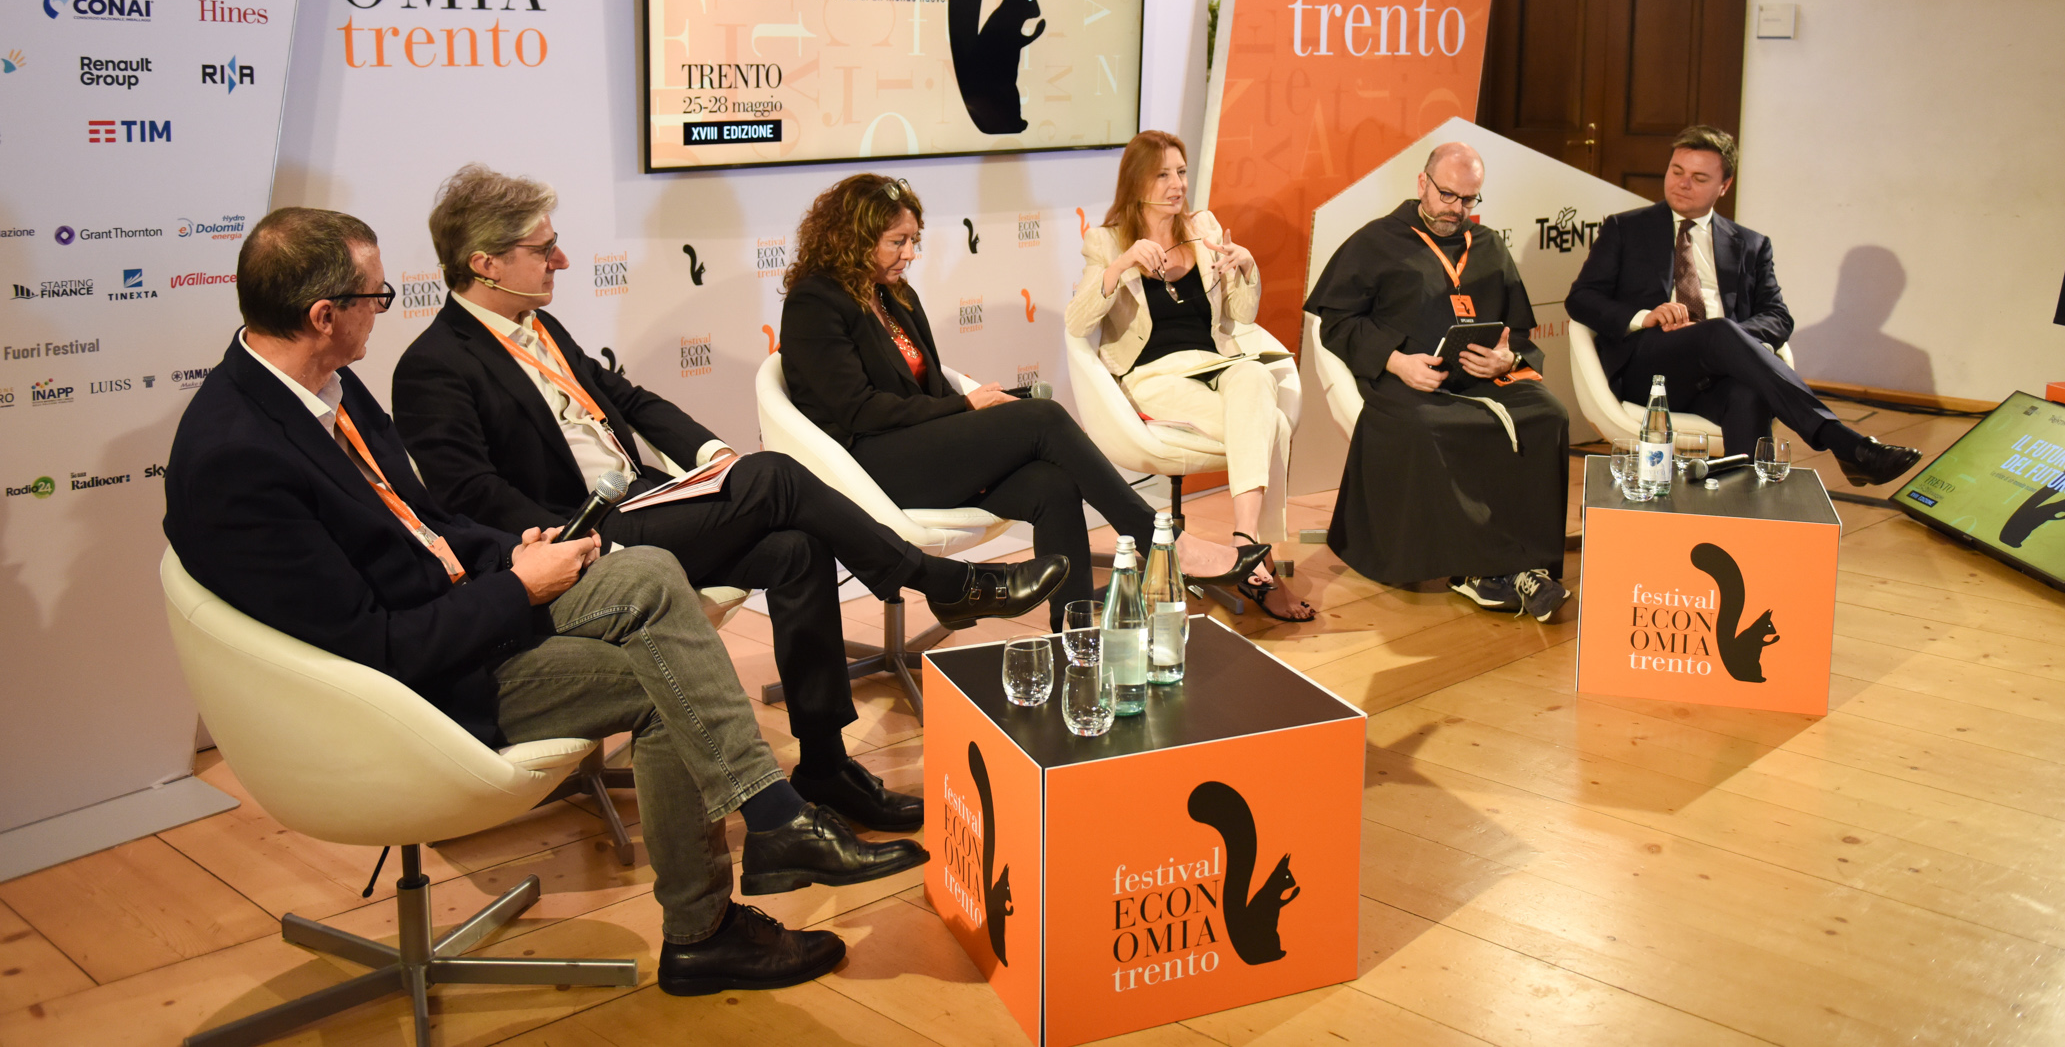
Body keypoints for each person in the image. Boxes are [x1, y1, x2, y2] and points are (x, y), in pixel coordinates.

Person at [164, 207, 925, 997]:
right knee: (670, 685)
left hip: (458, 606)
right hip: (412, 692)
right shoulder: (238, 456)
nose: (384, 311)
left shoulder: (322, 382)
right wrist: (516, 588)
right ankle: (716, 916)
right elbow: (376, 649)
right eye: (376, 297)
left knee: (650, 571)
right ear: (325, 316)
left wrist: (512, 550)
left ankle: (771, 825)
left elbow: (423, 522)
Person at [392, 166, 1071, 832]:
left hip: (644, 502)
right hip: (579, 541)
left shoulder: (540, 327)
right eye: (544, 249)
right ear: (485, 264)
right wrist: (577, 539)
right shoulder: (434, 365)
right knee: (773, 475)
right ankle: (941, 582)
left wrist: (711, 454)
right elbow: (470, 495)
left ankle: (825, 765)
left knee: (797, 550)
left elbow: (632, 401)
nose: (561, 260)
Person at [777, 174, 1258, 629]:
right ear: (854, 238)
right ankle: (1165, 544)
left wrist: (983, 414)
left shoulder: (893, 293)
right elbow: (858, 410)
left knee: (1052, 484)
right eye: (896, 242)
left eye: (913, 241)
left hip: (919, 449)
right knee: (1043, 419)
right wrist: (965, 409)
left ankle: (1073, 634)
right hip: (867, 467)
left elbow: (931, 387)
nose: (909, 254)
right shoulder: (814, 302)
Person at [1564, 126, 1921, 486]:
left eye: (1699, 178)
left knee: (1747, 391)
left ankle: (1745, 506)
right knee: (1718, 331)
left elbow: (1778, 317)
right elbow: (1581, 298)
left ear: (1724, 185)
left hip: (1717, 375)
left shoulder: (1751, 245)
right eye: (1676, 171)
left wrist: (1727, 339)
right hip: (1651, 369)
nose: (1682, 184)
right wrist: (1645, 317)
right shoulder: (1625, 229)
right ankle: (1844, 443)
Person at [1304, 142, 1572, 621]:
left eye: (1469, 199)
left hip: (1481, 377)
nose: (1457, 209)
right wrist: (1396, 361)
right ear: (1422, 183)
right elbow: (1337, 324)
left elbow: (1518, 333)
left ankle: (1521, 563)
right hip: (1408, 380)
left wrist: (1506, 360)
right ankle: (1480, 570)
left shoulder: (1487, 244)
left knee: (1548, 414)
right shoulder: (1375, 242)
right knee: (1432, 425)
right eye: (1448, 195)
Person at [1065, 130, 1311, 621]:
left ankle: (1245, 543)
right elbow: (1077, 322)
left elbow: (1241, 315)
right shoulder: (1106, 240)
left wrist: (1247, 268)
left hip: (1216, 363)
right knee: (1269, 425)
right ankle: (1261, 568)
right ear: (1137, 182)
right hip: (1154, 376)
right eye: (1163, 175)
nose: (1177, 184)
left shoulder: (1204, 227)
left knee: (1255, 377)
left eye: (1180, 172)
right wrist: (1123, 263)